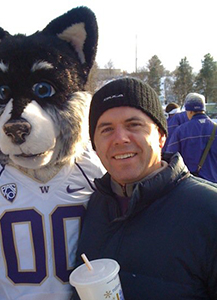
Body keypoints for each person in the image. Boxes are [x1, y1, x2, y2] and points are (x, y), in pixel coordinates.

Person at [74, 77, 217, 300]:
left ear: (161, 136)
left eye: (134, 125)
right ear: (95, 145)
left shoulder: (209, 211)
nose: (120, 138)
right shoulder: (92, 206)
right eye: (106, 129)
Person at [166, 93, 217, 183]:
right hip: (214, 185)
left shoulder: (180, 131)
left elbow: (170, 158)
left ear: (189, 111)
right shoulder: (215, 129)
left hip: (191, 186)